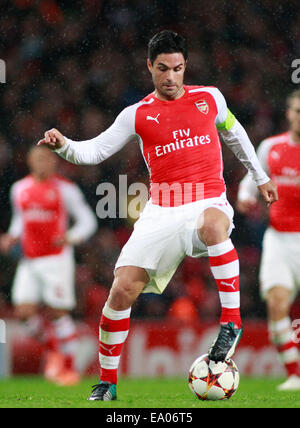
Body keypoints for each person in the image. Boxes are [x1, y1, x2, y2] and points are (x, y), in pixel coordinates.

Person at [38, 30, 277, 401]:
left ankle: (232, 322)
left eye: (178, 69)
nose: (170, 77)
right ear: (149, 66)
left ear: (186, 67)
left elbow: (235, 134)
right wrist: (64, 145)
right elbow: (95, 152)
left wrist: (259, 177)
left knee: (216, 225)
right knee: (121, 290)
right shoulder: (137, 114)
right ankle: (107, 383)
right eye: (163, 69)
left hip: (207, 202)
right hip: (161, 211)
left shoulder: (209, 98)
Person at [0, 145, 97, 386]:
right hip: (29, 259)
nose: (42, 163)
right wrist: (11, 236)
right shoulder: (19, 188)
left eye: (46, 158)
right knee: (23, 313)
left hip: (56, 258)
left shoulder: (66, 189)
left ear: (54, 163)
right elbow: (20, 221)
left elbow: (87, 221)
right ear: (30, 162)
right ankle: (55, 350)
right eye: (37, 158)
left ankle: (69, 368)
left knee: (57, 313)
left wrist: (71, 237)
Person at [237, 89, 300, 391]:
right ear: (289, 113)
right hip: (278, 239)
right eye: (297, 110)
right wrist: (245, 195)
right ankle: (294, 375)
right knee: (277, 303)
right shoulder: (270, 147)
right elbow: (253, 175)